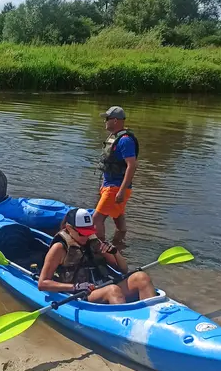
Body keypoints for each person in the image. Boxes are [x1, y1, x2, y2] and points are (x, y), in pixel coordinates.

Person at [38, 207, 155, 304]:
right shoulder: (59, 248)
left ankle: (153, 314)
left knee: (141, 277)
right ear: (69, 228)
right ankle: (127, 326)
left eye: (88, 233)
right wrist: (75, 287)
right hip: (82, 293)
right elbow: (42, 283)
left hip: (103, 284)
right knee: (112, 290)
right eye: (82, 234)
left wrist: (115, 253)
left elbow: (123, 270)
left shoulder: (95, 242)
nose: (86, 237)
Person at [93, 105, 139, 244]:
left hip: (116, 187)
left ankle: (100, 249)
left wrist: (122, 190)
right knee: (117, 215)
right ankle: (119, 243)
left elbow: (132, 165)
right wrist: (103, 185)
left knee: (96, 219)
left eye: (107, 118)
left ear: (115, 120)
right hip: (110, 185)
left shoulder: (125, 140)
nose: (104, 121)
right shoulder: (114, 137)